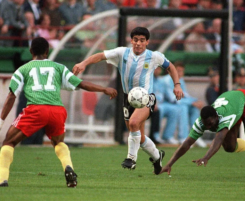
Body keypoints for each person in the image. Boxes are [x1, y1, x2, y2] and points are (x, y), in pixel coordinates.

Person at [0, 37, 117, 187]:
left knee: (9, 141)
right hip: (57, 110)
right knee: (58, 142)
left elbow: (11, 95)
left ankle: (2, 179)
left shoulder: (22, 70)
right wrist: (103, 88)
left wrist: (0, 123)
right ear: (47, 51)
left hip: (36, 109)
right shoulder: (59, 67)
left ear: (31, 52)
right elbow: (81, 83)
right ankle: (68, 167)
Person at [72, 27, 183, 174]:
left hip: (146, 97)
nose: (138, 43)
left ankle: (131, 159)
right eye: (135, 40)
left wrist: (177, 85)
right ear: (131, 40)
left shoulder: (154, 56)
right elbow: (100, 55)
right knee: (140, 137)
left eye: (142, 40)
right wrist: (83, 63)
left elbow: (171, 68)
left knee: (133, 123)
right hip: (128, 98)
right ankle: (157, 157)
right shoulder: (122, 53)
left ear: (147, 42)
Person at [160, 89, 245, 179]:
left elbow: (219, 138)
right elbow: (187, 143)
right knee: (230, 147)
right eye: (206, 124)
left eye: (210, 124)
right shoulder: (201, 122)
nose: (208, 127)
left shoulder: (225, 116)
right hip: (233, 104)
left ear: (216, 117)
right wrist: (169, 164)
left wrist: (206, 157)